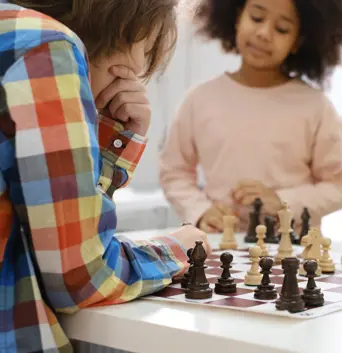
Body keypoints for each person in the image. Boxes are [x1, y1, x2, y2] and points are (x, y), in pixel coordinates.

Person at [0, 1, 210, 352]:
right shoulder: (46, 46)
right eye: (144, 47)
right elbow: (79, 277)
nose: (136, 70)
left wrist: (111, 139)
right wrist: (179, 248)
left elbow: (47, 232)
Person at [159, 0, 342, 234]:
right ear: (236, 18)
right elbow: (174, 172)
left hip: (292, 253)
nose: (264, 33)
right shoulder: (199, 99)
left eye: (282, 29)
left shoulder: (315, 107)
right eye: (256, 18)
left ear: (299, 41)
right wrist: (201, 211)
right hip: (221, 247)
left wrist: (282, 201)